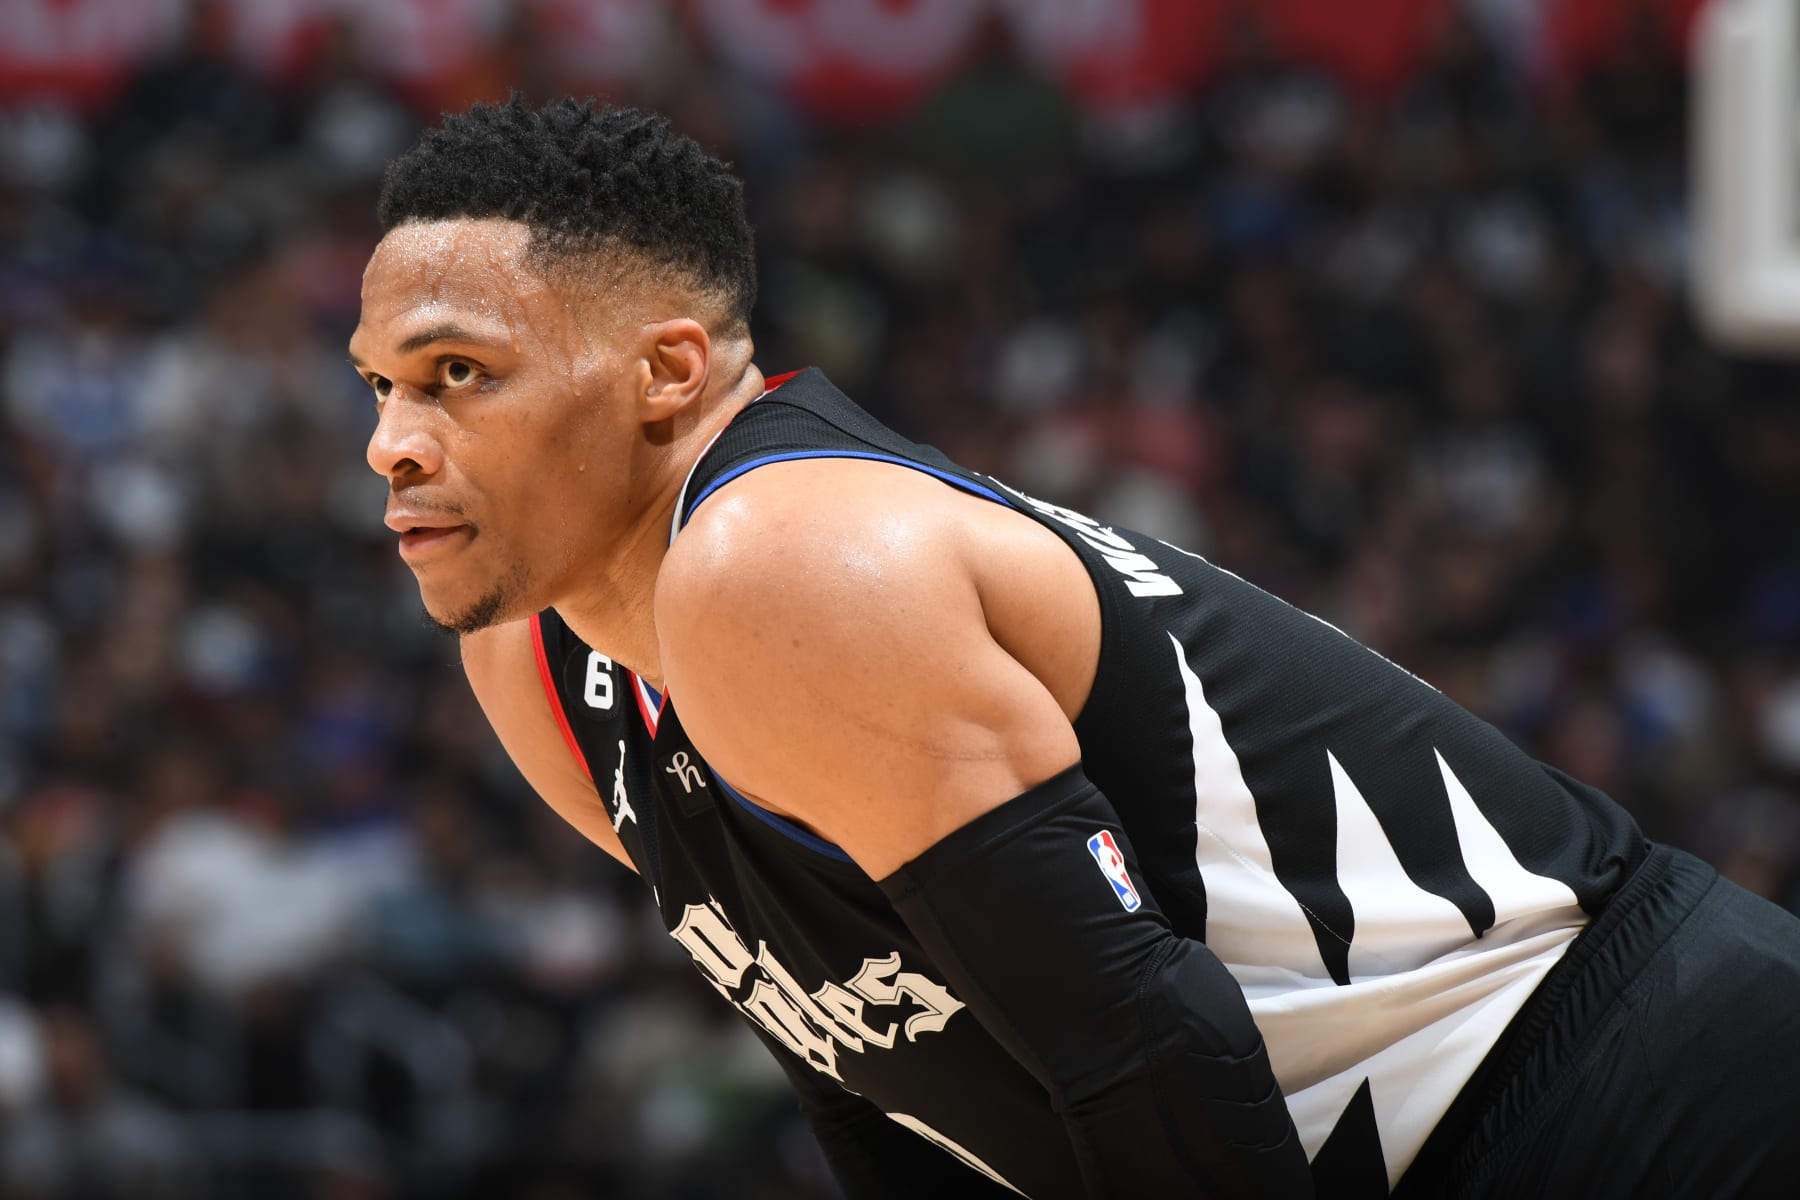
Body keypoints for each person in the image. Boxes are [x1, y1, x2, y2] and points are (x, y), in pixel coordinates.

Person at [348, 97, 1800, 1199]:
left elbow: (1152, 1045)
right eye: (380, 387)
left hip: (1629, 1081)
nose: (391, 446)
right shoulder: (531, 656)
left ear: (669, 372)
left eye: (457, 377)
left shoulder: (779, 560)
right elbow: (879, 1067)